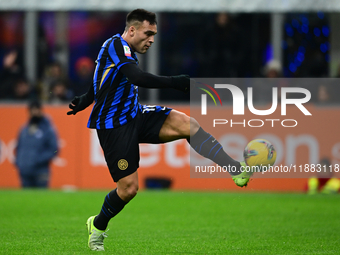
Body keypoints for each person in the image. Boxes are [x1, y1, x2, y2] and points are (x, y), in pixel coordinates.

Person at [67, 9, 250, 251]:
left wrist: (86, 97)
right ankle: (98, 225)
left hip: (136, 114)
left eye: (154, 34)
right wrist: (175, 82)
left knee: (188, 125)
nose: (151, 39)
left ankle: (234, 167)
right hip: (114, 126)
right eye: (148, 33)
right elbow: (136, 77)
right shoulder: (116, 44)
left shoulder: (124, 50)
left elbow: (104, 76)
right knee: (129, 189)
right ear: (131, 30)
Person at [15, 100, 58, 188]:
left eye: (36, 110)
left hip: (40, 171)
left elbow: (54, 149)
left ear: (41, 111)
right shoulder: (24, 129)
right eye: (32, 110)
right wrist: (19, 161)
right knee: (25, 199)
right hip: (25, 170)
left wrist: (37, 160)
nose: (34, 113)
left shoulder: (48, 129)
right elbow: (19, 147)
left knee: (41, 198)